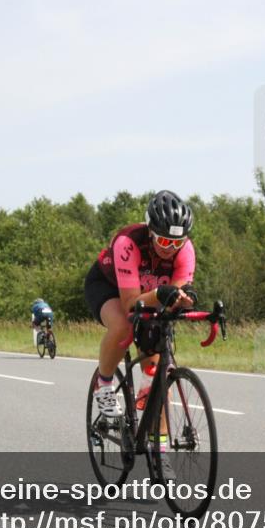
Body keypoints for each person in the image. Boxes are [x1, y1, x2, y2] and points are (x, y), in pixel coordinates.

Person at [83, 191, 198, 471]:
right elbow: (130, 304)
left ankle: (159, 450)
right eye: (163, 241)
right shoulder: (127, 243)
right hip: (110, 288)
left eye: (176, 242)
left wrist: (183, 299)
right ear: (150, 232)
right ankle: (105, 383)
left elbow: (178, 294)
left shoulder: (186, 250)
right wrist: (162, 293)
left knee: (157, 376)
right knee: (123, 326)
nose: (170, 248)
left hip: (151, 296)